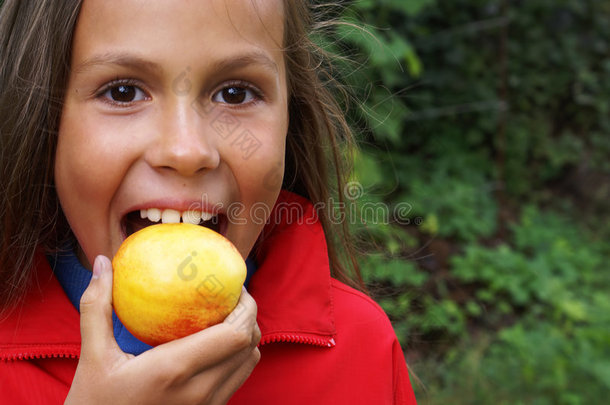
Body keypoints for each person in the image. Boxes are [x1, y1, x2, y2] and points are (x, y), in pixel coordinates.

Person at [0, 0, 417, 403]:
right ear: (42, 119)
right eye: (124, 92)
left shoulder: (363, 353)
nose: (187, 151)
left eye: (235, 94)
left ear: (293, 117)